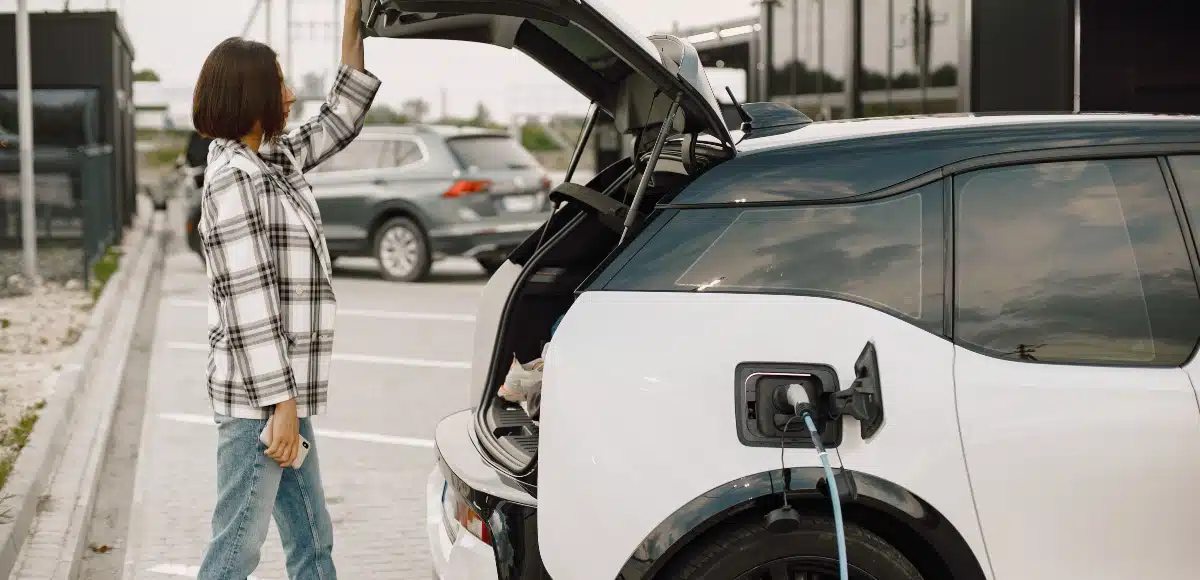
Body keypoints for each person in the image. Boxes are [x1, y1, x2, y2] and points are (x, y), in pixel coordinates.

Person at [190, 0, 379, 577]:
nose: (291, 92)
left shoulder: (273, 160)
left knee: (313, 542)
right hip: (260, 402)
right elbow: (250, 305)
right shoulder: (232, 181)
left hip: (279, 394)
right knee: (235, 552)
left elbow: (340, 119)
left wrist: (352, 25)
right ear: (250, 98)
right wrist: (283, 406)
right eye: (278, 82)